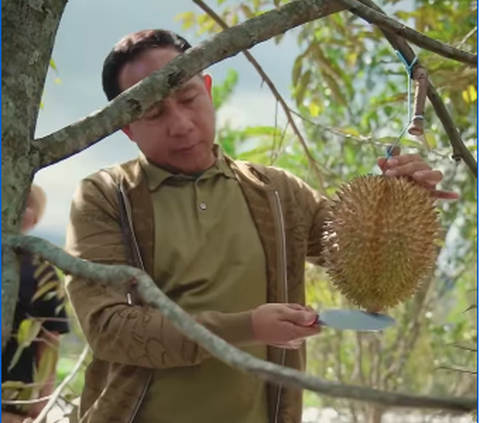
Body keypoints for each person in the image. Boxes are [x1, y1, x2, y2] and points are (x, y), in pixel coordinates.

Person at [64, 29, 459, 423]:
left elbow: (364, 258)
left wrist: (401, 199)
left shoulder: (276, 193)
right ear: (126, 126)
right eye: (154, 112)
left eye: (188, 99)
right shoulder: (105, 197)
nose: (181, 124)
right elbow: (110, 328)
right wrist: (247, 327)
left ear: (207, 88)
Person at [2, 185, 70, 423]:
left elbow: (50, 338)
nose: (19, 209)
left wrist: (42, 399)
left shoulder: (42, 271)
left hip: (14, 399)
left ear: (36, 218)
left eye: (27, 203)